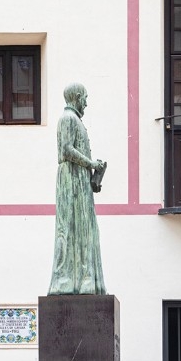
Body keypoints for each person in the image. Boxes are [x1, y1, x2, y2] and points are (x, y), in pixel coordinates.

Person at [48, 83, 106, 295]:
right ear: (78, 96)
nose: (86, 103)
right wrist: (91, 164)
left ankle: (85, 280)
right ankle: (66, 281)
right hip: (70, 180)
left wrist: (91, 173)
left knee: (85, 229)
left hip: (80, 180)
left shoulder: (75, 120)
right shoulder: (68, 119)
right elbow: (66, 150)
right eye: (85, 98)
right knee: (71, 228)